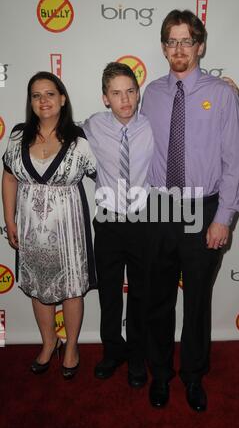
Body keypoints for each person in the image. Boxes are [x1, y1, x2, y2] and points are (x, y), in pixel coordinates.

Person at [141, 9, 239, 411]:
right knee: (158, 299)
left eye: (187, 41)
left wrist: (223, 218)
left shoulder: (222, 94)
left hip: (203, 211)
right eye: (172, 41)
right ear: (164, 47)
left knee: (197, 301)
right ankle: (161, 375)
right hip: (157, 209)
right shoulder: (150, 93)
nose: (179, 48)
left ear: (200, 46)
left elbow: (234, 162)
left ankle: (193, 376)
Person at [2, 72, 97, 379]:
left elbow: (108, 175)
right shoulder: (17, 136)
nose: (43, 101)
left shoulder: (81, 141)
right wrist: (8, 218)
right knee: (38, 289)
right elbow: (9, 177)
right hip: (29, 228)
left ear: (63, 99)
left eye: (50, 94)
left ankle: (71, 347)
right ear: (30, 102)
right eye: (36, 95)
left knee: (71, 290)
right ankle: (48, 342)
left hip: (69, 231)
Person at [82, 62, 154, 388]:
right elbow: (52, 130)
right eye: (116, 93)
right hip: (108, 222)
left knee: (141, 293)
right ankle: (112, 351)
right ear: (105, 98)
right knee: (109, 293)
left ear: (138, 93)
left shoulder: (154, 125)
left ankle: (137, 355)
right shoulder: (91, 126)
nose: (125, 100)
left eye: (130, 91)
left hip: (143, 222)